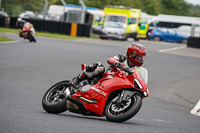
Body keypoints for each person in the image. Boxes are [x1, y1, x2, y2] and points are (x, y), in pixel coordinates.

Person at [71, 42, 146, 88]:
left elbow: (142, 81)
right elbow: (110, 59)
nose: (140, 59)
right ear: (132, 54)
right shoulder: (122, 58)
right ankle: (76, 80)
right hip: (106, 77)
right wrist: (116, 63)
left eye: (142, 57)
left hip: (119, 84)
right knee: (99, 66)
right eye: (139, 56)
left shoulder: (138, 70)